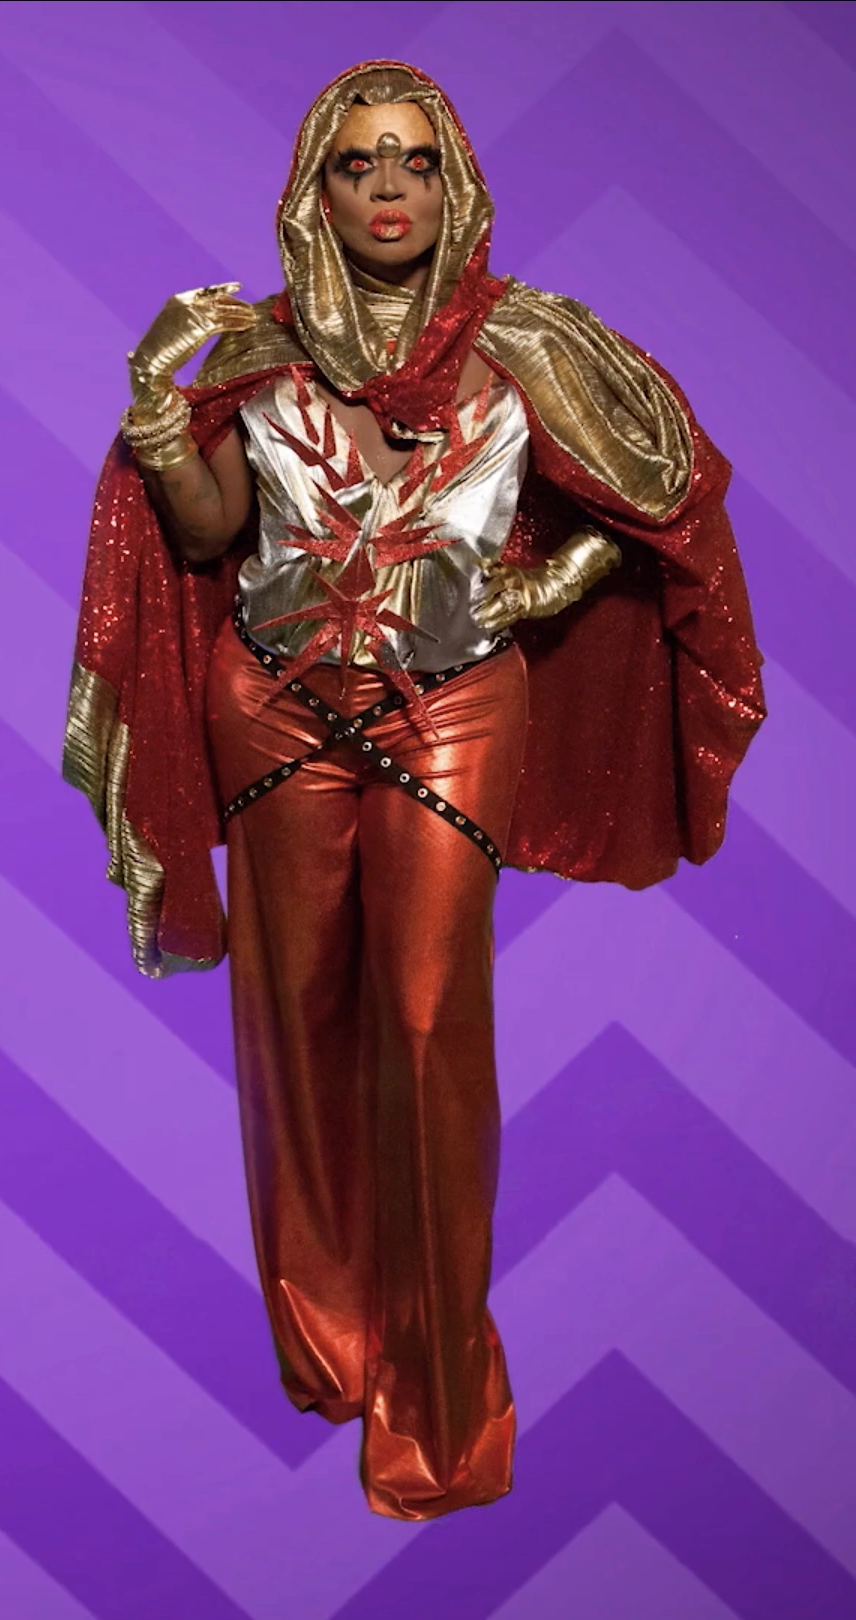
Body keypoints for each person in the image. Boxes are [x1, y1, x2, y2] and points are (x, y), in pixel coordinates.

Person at [63, 61, 765, 1521]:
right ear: (312, 193)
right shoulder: (257, 347)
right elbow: (206, 535)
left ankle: (439, 1402)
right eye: (357, 163)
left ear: (455, 183)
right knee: (297, 1020)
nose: (387, 187)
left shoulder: (530, 342)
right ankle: (330, 1342)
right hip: (273, 706)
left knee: (431, 1022)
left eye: (414, 160)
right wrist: (153, 412)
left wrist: (548, 583)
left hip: (452, 709)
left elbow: (662, 494)